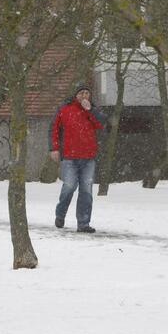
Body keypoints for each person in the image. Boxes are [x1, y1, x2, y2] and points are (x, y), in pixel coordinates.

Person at [49, 84, 105, 233]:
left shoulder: (93, 110)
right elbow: (54, 128)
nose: (84, 96)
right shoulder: (65, 109)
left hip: (88, 158)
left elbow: (102, 124)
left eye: (87, 93)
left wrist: (90, 110)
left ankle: (83, 223)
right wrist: (54, 148)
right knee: (69, 187)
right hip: (70, 157)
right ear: (76, 95)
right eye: (82, 93)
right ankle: (60, 214)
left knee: (86, 191)